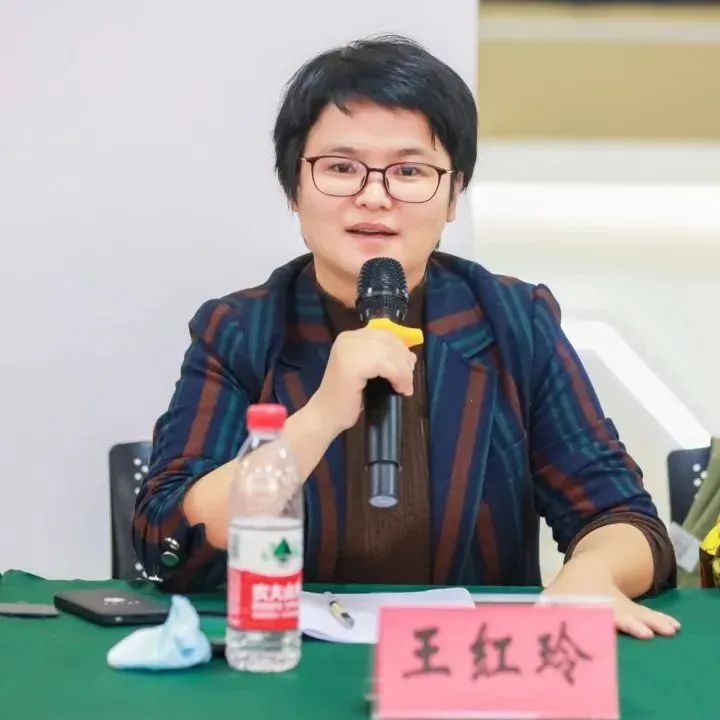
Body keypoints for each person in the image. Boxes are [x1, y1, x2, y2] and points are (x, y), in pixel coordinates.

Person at [133, 35, 678, 639]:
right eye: (341, 168)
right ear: (294, 188)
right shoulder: (240, 329)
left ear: (453, 195)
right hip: (287, 657)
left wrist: (591, 574)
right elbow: (165, 540)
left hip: (464, 664)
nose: (374, 196)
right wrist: (317, 420)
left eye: (410, 171)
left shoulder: (512, 320)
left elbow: (622, 517)